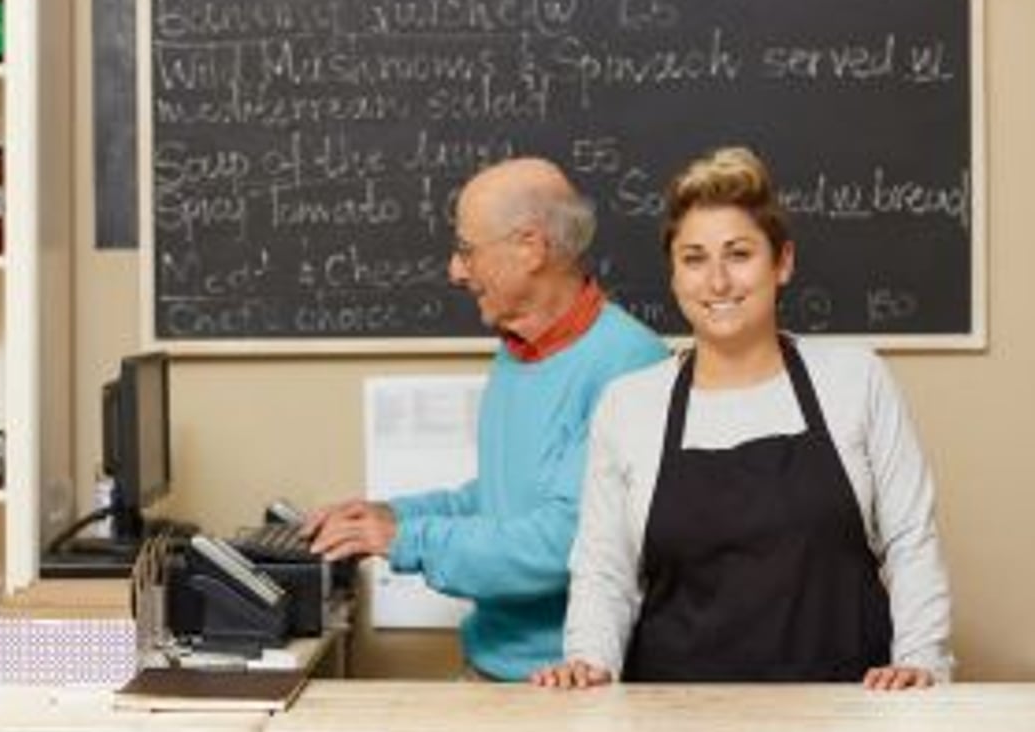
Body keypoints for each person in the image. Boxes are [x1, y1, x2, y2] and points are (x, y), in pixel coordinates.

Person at [530, 147, 953, 691]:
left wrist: (922, 662)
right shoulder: (630, 405)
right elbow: (605, 572)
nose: (718, 281)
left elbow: (910, 540)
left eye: (738, 254)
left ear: (783, 262)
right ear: (674, 274)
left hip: (845, 708)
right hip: (673, 712)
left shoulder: (855, 379)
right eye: (694, 258)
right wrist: (589, 663)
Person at [302, 157, 668, 681]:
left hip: (566, 684)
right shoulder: (518, 352)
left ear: (532, 246)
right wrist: (389, 515)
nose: (455, 270)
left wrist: (405, 540)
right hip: (491, 667)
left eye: (467, 251)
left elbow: (562, 543)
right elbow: (500, 497)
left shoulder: (629, 364)